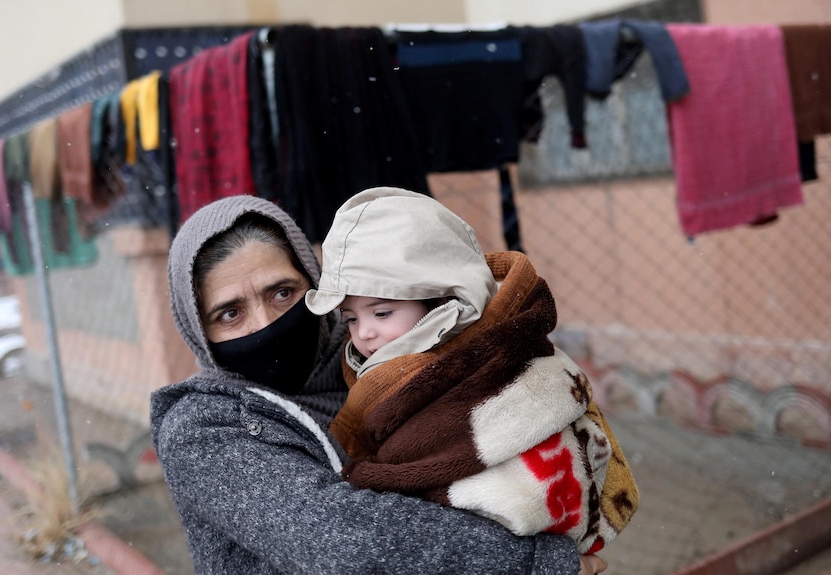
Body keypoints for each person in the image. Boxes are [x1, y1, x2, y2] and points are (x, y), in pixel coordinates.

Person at [150, 194, 609, 574]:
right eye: (230, 313)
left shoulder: (380, 363)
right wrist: (537, 565)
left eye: (282, 293)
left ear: (316, 285)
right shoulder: (202, 430)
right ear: (198, 330)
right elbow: (344, 539)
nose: (267, 324)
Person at [305, 187, 639, 555]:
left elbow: (548, 403)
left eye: (382, 313)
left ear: (440, 301)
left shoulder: (502, 350)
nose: (364, 333)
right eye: (350, 319)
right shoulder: (367, 375)